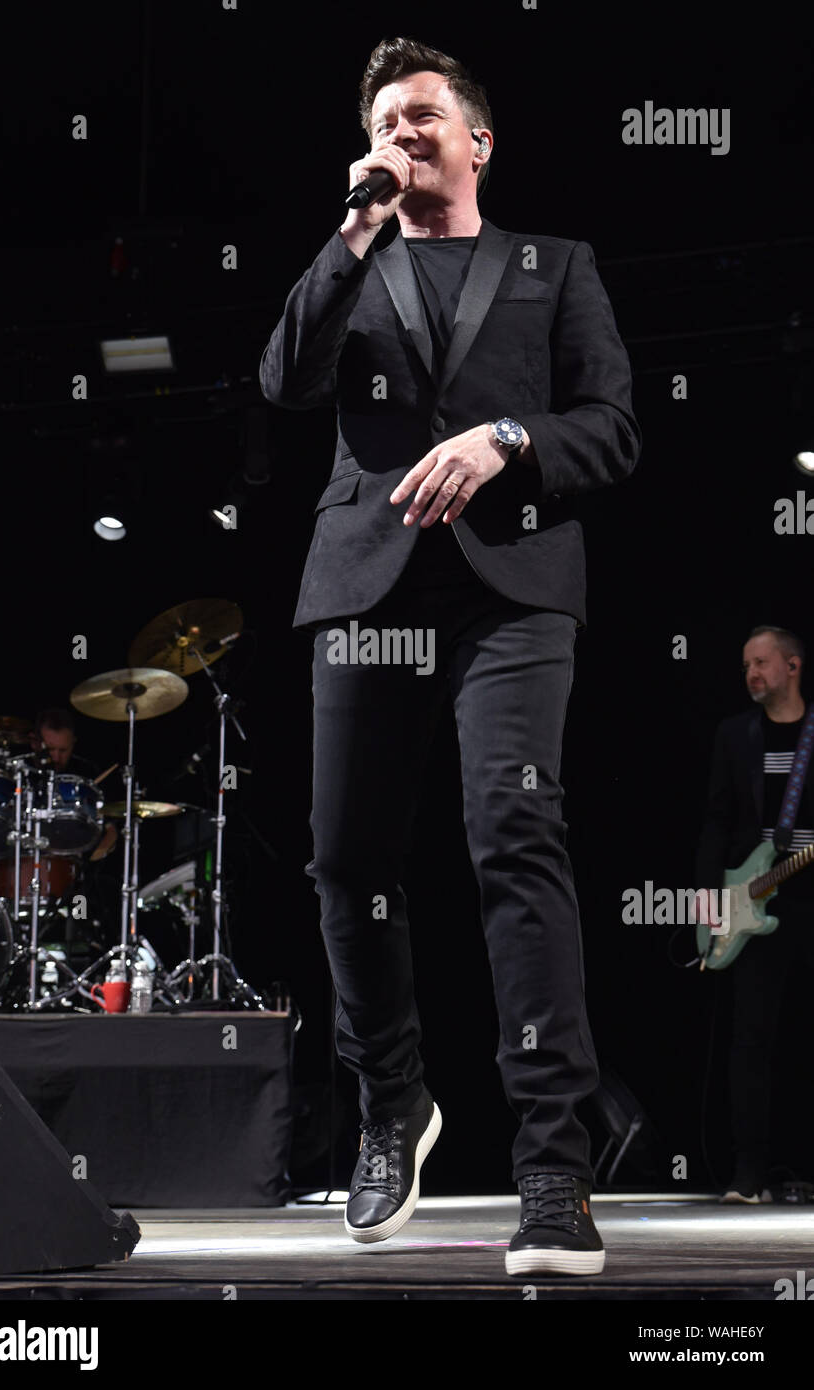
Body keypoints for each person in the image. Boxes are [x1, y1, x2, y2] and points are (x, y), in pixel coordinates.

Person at [260, 37, 640, 1276]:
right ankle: (390, 1105)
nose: (402, 132)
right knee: (346, 859)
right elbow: (283, 377)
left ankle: (552, 1169)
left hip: (511, 591)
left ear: (479, 140)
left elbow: (613, 430)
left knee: (512, 837)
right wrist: (353, 230)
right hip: (366, 584)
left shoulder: (556, 267)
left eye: (423, 115)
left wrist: (508, 437)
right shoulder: (353, 259)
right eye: (383, 119)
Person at [696, 626, 814, 1203]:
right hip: (753, 902)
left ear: (794, 666)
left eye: (762, 663)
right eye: (746, 665)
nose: (752, 674)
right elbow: (715, 822)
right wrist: (705, 902)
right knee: (750, 1042)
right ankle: (749, 1174)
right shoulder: (735, 735)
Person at [31, 707, 118, 862]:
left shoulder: (87, 773)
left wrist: (96, 856)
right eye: (50, 749)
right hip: (24, 860)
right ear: (34, 743)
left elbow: (110, 829)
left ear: (73, 743)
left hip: (72, 864)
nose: (56, 757)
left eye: (63, 750)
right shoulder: (21, 772)